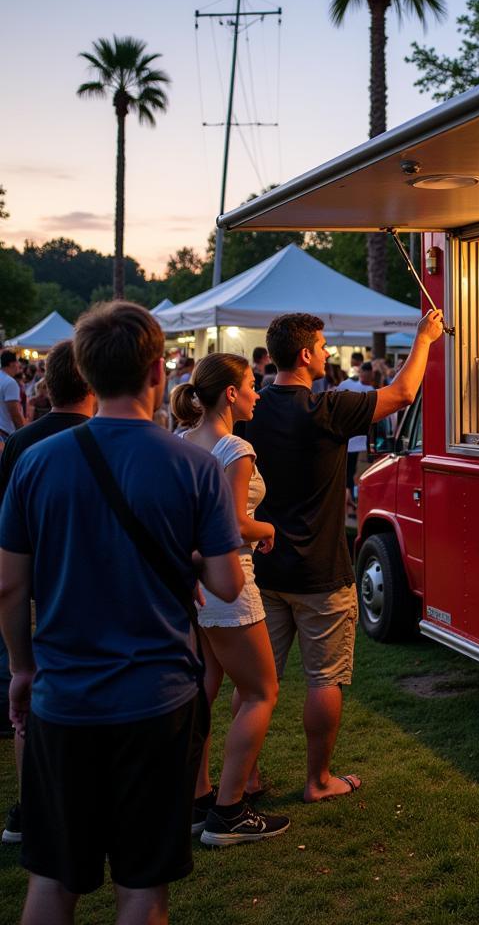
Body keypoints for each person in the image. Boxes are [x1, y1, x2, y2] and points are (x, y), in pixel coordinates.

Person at [0, 302, 244, 925]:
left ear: (81, 367)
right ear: (157, 370)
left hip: (64, 698)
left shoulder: (34, 463)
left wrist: (22, 669)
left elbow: (9, 588)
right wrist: (187, 555)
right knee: (142, 890)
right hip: (157, 701)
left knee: (52, 883)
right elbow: (224, 583)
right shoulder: (194, 466)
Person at [242, 308, 444, 802]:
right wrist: (424, 339)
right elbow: (401, 394)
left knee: (255, 687)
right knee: (324, 678)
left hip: (266, 567)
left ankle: (242, 778)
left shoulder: (251, 410)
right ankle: (318, 781)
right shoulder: (326, 409)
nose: (329, 351)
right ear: (306, 354)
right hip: (321, 574)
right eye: (324, 345)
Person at [171, 354, 289, 847]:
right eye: (252, 384)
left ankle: (200, 800)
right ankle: (229, 812)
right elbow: (236, 523)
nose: (259, 393)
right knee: (262, 692)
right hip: (228, 582)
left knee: (205, 688)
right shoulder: (235, 448)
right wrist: (268, 528)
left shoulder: (180, 441)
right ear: (231, 395)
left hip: (191, 585)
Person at [0, 340, 96, 842]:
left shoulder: (22, 443)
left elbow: (7, 540)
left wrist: (17, 659)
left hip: (36, 588)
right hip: (96, 592)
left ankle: (29, 808)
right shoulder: (110, 437)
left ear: (46, 384)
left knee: (29, 706)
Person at [335, 361, 375, 518]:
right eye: (368, 374)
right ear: (363, 373)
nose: (369, 377)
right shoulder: (350, 385)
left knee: (354, 475)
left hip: (360, 443)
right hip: (351, 442)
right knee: (350, 474)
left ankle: (352, 505)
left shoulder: (371, 389)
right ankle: (350, 506)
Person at [0, 351, 26, 442]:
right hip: (4, 433)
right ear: (12, 364)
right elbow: (14, 413)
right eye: (17, 362)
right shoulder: (10, 382)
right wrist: (24, 434)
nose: (18, 365)